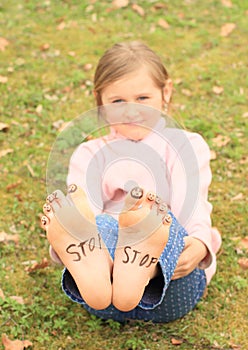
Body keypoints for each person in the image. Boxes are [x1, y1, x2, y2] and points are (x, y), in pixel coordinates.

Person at [40, 41, 221, 323]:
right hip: (104, 294)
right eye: (118, 101)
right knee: (95, 224)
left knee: (157, 220)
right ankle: (106, 262)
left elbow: (193, 206)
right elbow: (83, 213)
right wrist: (73, 234)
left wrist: (200, 243)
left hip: (171, 286)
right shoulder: (90, 155)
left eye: (143, 98)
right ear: (100, 100)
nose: (131, 110)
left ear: (166, 92)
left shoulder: (184, 146)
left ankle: (144, 264)